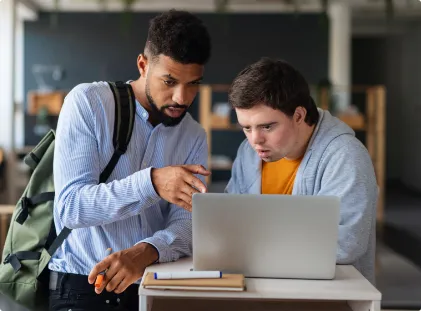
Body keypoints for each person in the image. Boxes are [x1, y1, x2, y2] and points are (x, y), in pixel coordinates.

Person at [49, 10, 212, 311]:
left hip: (158, 286)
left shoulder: (194, 136)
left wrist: (146, 251)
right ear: (143, 65)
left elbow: (188, 222)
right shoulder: (88, 103)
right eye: (170, 81)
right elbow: (71, 207)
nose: (181, 97)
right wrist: (151, 183)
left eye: (193, 84)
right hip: (84, 288)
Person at [225, 57, 378, 284]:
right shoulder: (248, 153)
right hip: (257, 285)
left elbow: (346, 245)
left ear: (299, 115)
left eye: (267, 126)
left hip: (329, 295)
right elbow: (229, 222)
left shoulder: (346, 156)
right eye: (246, 128)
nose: (255, 140)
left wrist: (253, 244)